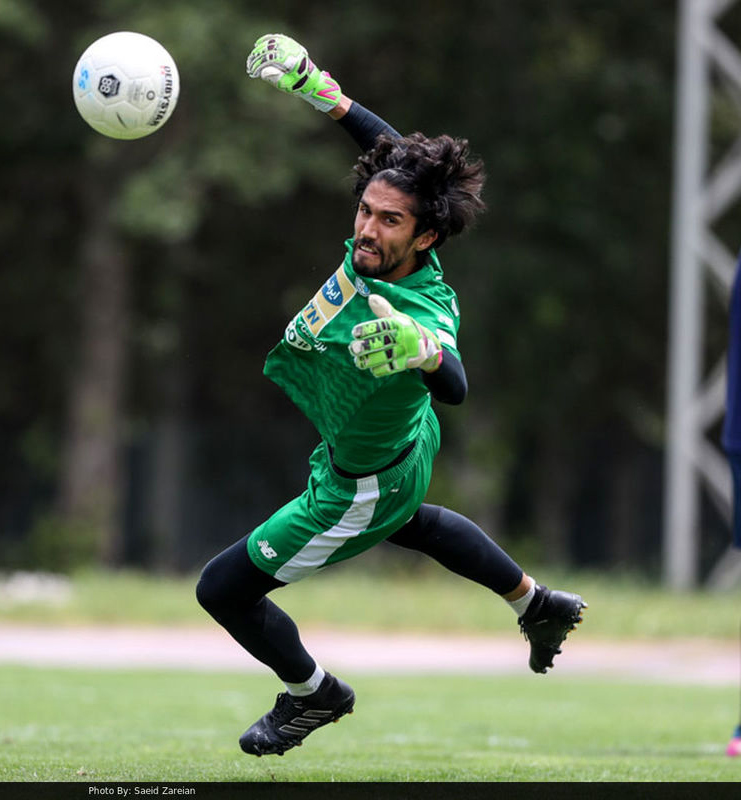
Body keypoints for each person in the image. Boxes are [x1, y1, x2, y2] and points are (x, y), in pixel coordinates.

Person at [195, 34, 587, 758]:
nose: (368, 229)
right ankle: (537, 603)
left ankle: (315, 696)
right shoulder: (393, 227)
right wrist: (320, 89)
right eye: (366, 211)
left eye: (389, 221)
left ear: (428, 237)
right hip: (396, 450)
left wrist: (423, 350)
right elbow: (393, 155)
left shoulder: (425, 303)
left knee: (221, 589)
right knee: (417, 523)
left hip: (361, 482)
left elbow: (457, 385)